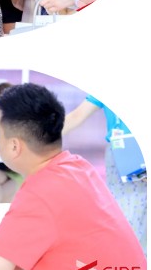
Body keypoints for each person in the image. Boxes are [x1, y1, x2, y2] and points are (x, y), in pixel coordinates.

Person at [0, 84, 146, 270]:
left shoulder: (39, 193)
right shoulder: (78, 167)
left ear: (14, 146)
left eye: (0, 134)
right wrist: (19, 268)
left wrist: (13, 268)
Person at [62, 95, 146, 254]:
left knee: (130, 223)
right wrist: (41, 137)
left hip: (124, 153)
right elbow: (76, 116)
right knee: (129, 222)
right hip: (124, 156)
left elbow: (77, 116)